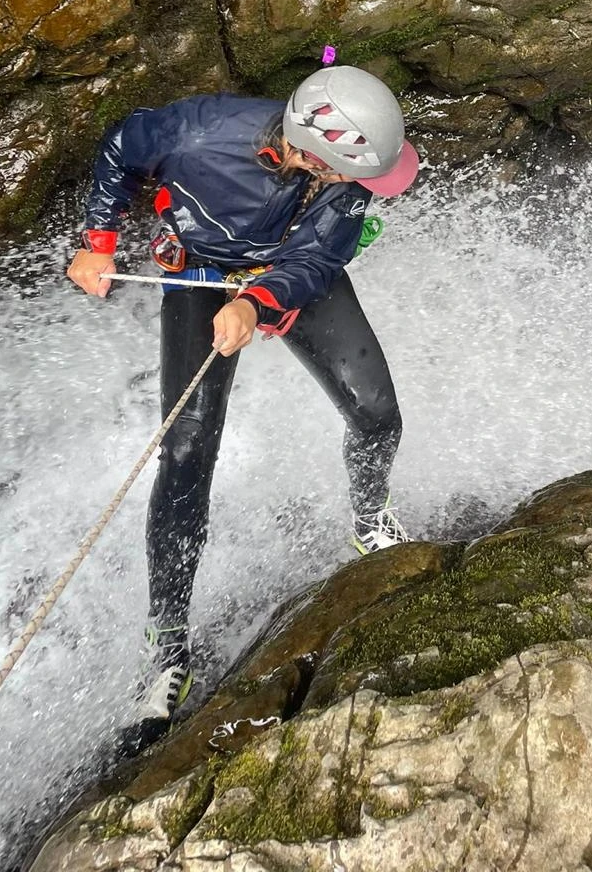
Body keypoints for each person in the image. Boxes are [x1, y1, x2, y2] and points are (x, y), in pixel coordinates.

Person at [67, 65, 419, 724]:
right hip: (200, 272)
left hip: (285, 273)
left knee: (377, 413)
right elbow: (121, 145)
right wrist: (99, 242)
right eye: (361, 176)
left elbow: (317, 261)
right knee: (187, 452)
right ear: (314, 155)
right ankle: (168, 646)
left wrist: (257, 303)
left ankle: (370, 522)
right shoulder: (201, 131)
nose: (373, 191)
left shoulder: (343, 189)